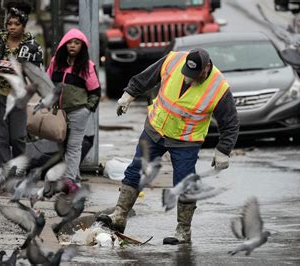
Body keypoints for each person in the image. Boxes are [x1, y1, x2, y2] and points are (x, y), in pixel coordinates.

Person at [97, 48, 239, 245]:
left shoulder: (218, 87)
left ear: (206, 69)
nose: (189, 78)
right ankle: (119, 216)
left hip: (185, 140)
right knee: (135, 171)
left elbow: (230, 123)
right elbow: (147, 77)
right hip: (155, 129)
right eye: (187, 73)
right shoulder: (173, 60)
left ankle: (183, 231)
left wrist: (223, 150)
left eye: (194, 75)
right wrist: (129, 95)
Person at [0, 7, 43, 170]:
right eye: (9, 24)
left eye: (16, 24)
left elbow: (38, 71)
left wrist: (24, 70)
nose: (12, 27)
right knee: (1, 137)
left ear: (23, 25)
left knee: (18, 137)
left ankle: (19, 170)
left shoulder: (32, 46)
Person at [46, 28, 101, 194]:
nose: (73, 46)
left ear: (82, 47)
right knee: (60, 146)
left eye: (77, 43)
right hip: (58, 113)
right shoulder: (55, 62)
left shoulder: (87, 66)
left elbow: (95, 91)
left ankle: (69, 181)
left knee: (73, 147)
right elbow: (46, 82)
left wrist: (87, 109)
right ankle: (74, 178)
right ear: (64, 44)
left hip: (78, 112)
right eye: (70, 42)